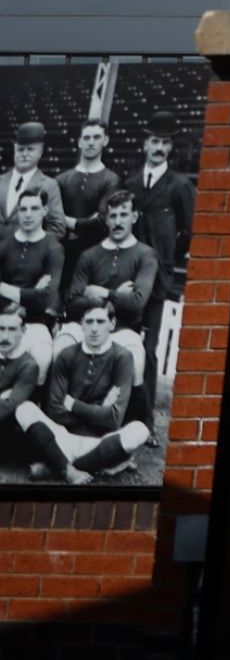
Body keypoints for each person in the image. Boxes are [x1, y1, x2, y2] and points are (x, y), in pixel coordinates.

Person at [18, 300, 150, 483]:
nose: (94, 328)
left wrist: (73, 404)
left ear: (112, 324)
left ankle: (57, 467)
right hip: (62, 436)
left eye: (100, 321)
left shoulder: (122, 358)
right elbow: (55, 412)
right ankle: (72, 468)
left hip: (98, 441)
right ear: (81, 324)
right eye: (89, 322)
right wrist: (100, 409)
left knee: (139, 431)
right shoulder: (67, 355)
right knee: (24, 408)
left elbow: (113, 420)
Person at [121, 122, 193, 394]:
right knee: (123, 343)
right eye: (155, 142)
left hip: (158, 279)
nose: (159, 148)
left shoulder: (180, 185)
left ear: (171, 147)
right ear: (145, 145)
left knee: (149, 350)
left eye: (165, 143)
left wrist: (166, 258)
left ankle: (146, 420)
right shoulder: (130, 183)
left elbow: (188, 231)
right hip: (127, 275)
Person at [62, 194, 153, 408]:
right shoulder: (89, 255)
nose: (118, 221)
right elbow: (72, 303)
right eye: (113, 216)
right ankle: (53, 413)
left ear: (134, 217)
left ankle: (137, 423)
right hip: (85, 325)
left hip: (123, 328)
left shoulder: (145, 255)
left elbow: (137, 302)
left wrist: (101, 293)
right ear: (106, 219)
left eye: (124, 215)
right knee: (61, 347)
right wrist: (117, 296)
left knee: (136, 359)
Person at [0, 190, 61, 357]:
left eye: (34, 208)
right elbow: (36, 296)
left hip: (35, 322)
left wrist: (3, 288)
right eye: (23, 209)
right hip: (1, 319)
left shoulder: (53, 248)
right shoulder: (4, 244)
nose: (28, 215)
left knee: (42, 356)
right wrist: (32, 291)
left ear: (45, 211)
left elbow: (45, 298)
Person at [56, 121, 119, 242]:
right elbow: (50, 216)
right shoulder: (61, 179)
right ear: (80, 142)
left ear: (105, 140)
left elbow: (102, 221)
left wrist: (67, 221)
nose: (91, 143)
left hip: (96, 249)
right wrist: (87, 223)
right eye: (86, 138)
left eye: (96, 137)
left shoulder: (112, 180)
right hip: (64, 248)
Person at [1, 125, 64, 243]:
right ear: (15, 149)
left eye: (30, 149)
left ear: (40, 152)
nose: (24, 154)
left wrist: (31, 249)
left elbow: (57, 227)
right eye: (20, 149)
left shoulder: (49, 185)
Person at [0, 302, 41, 478]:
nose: (4, 336)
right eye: (1, 329)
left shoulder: (29, 365)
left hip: (9, 433)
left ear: (23, 331)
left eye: (12, 329)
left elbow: (8, 406)